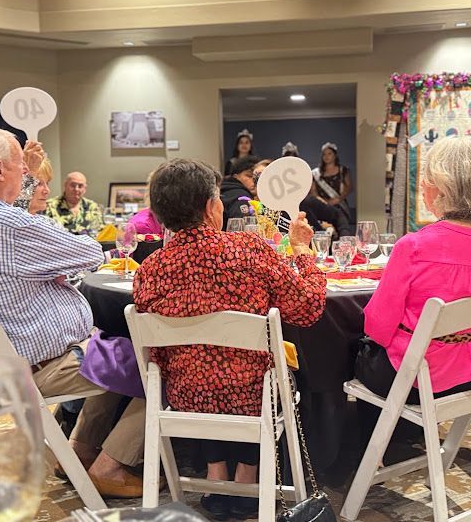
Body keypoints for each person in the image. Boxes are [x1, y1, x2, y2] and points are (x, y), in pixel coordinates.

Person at [0, 128, 146, 498]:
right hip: (45, 366)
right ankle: (111, 466)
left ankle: (79, 451)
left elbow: (19, 236)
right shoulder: (5, 225)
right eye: (22, 168)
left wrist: (28, 175)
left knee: (114, 343)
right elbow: (86, 252)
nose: (27, 176)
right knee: (162, 363)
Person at [133, 158, 326, 520]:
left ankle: (215, 475)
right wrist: (302, 252)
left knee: (200, 369)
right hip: (253, 397)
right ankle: (247, 478)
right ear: (211, 207)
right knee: (248, 374)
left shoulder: (150, 270)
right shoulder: (248, 250)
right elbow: (307, 308)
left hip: (186, 397)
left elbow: (159, 349)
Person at [356, 136, 471, 464]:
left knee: (355, 352)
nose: (423, 185)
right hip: (470, 375)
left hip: (414, 378)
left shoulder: (413, 246)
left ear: (442, 186)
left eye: (426, 177)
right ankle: (405, 439)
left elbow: (378, 327)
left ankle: (365, 452)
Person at [310, 142, 353, 222]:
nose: (326, 156)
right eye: (324, 154)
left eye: (329, 153)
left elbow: (349, 187)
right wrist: (324, 202)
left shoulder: (343, 170)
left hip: (340, 206)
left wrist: (338, 199)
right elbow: (313, 192)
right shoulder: (315, 173)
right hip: (322, 207)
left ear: (335, 155)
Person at [220, 155, 259, 229]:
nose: (254, 180)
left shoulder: (223, 189)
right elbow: (242, 231)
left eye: (256, 177)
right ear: (236, 176)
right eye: (249, 176)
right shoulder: (242, 196)